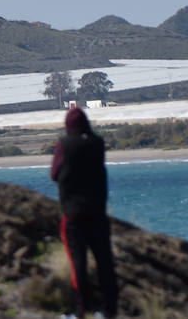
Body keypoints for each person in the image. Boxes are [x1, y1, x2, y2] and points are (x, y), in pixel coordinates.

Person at [50, 106, 119, 318]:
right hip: (97, 211)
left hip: (73, 213)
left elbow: (54, 173)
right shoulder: (97, 143)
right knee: (104, 262)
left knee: (78, 262)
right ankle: (110, 310)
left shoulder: (65, 145)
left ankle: (83, 310)